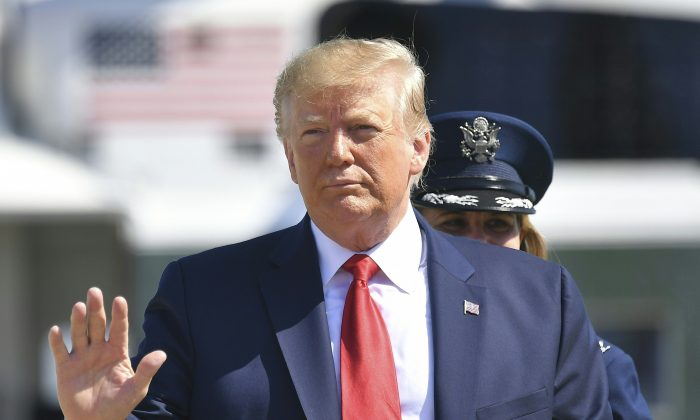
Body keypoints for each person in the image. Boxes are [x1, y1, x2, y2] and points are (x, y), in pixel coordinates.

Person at [48, 37, 613, 419]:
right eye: (314, 133)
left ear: (418, 149)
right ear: (291, 159)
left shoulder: (539, 298)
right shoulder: (204, 296)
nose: (338, 153)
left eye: (363, 129)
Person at [412, 110, 652, 419]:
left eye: (498, 225)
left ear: (525, 240)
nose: (478, 244)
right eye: (454, 224)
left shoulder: (596, 368)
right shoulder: (386, 335)